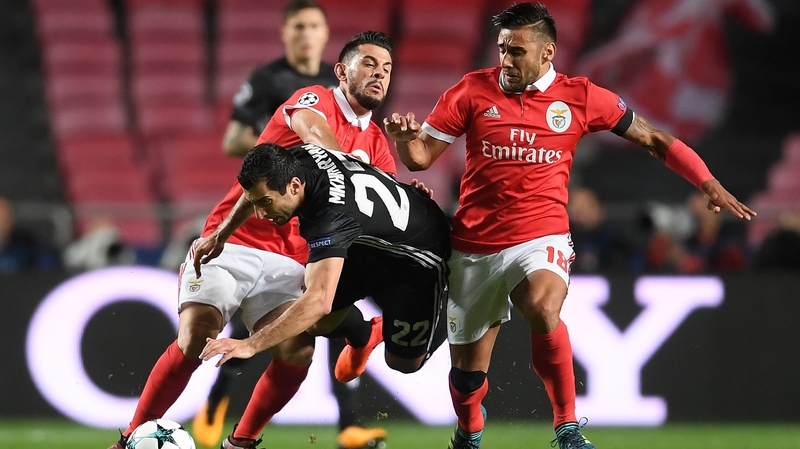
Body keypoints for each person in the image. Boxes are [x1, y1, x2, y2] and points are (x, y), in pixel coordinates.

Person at [382, 3, 756, 448]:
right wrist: (406, 141)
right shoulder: (471, 91)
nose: (505, 60)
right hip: (474, 244)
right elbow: (420, 158)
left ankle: (567, 427)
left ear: (547, 53)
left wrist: (707, 181)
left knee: (543, 307)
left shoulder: (579, 97)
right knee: (466, 376)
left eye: (516, 51)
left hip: (542, 235)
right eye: (502, 49)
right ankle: (469, 428)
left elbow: (655, 138)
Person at [108, 30, 397, 449]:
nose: (379, 74)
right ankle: (130, 438)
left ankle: (241, 441)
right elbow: (309, 128)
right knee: (196, 337)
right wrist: (352, 168)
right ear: (341, 70)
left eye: (387, 68)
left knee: (298, 351)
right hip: (235, 242)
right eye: (368, 63)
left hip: (291, 259)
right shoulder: (315, 99)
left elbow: (382, 208)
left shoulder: (379, 146)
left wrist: (410, 196)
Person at [199, 1, 378, 446]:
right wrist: (281, 138)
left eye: (315, 26)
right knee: (268, 321)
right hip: (270, 215)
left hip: (310, 221)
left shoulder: (339, 92)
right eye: (299, 26)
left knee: (321, 307)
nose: (306, 34)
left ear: (325, 34)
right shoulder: (271, 81)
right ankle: (216, 401)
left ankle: (349, 424)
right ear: (285, 33)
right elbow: (234, 141)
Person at [197, 142, 450, 449]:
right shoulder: (297, 158)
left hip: (419, 261)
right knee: (316, 324)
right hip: (367, 242)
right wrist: (221, 234)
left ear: (293, 186)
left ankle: (415, 321)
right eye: (256, 202)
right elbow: (251, 193)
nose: (260, 214)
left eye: (266, 202)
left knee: (403, 363)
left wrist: (251, 344)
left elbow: (318, 301)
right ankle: (364, 336)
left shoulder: (328, 219)